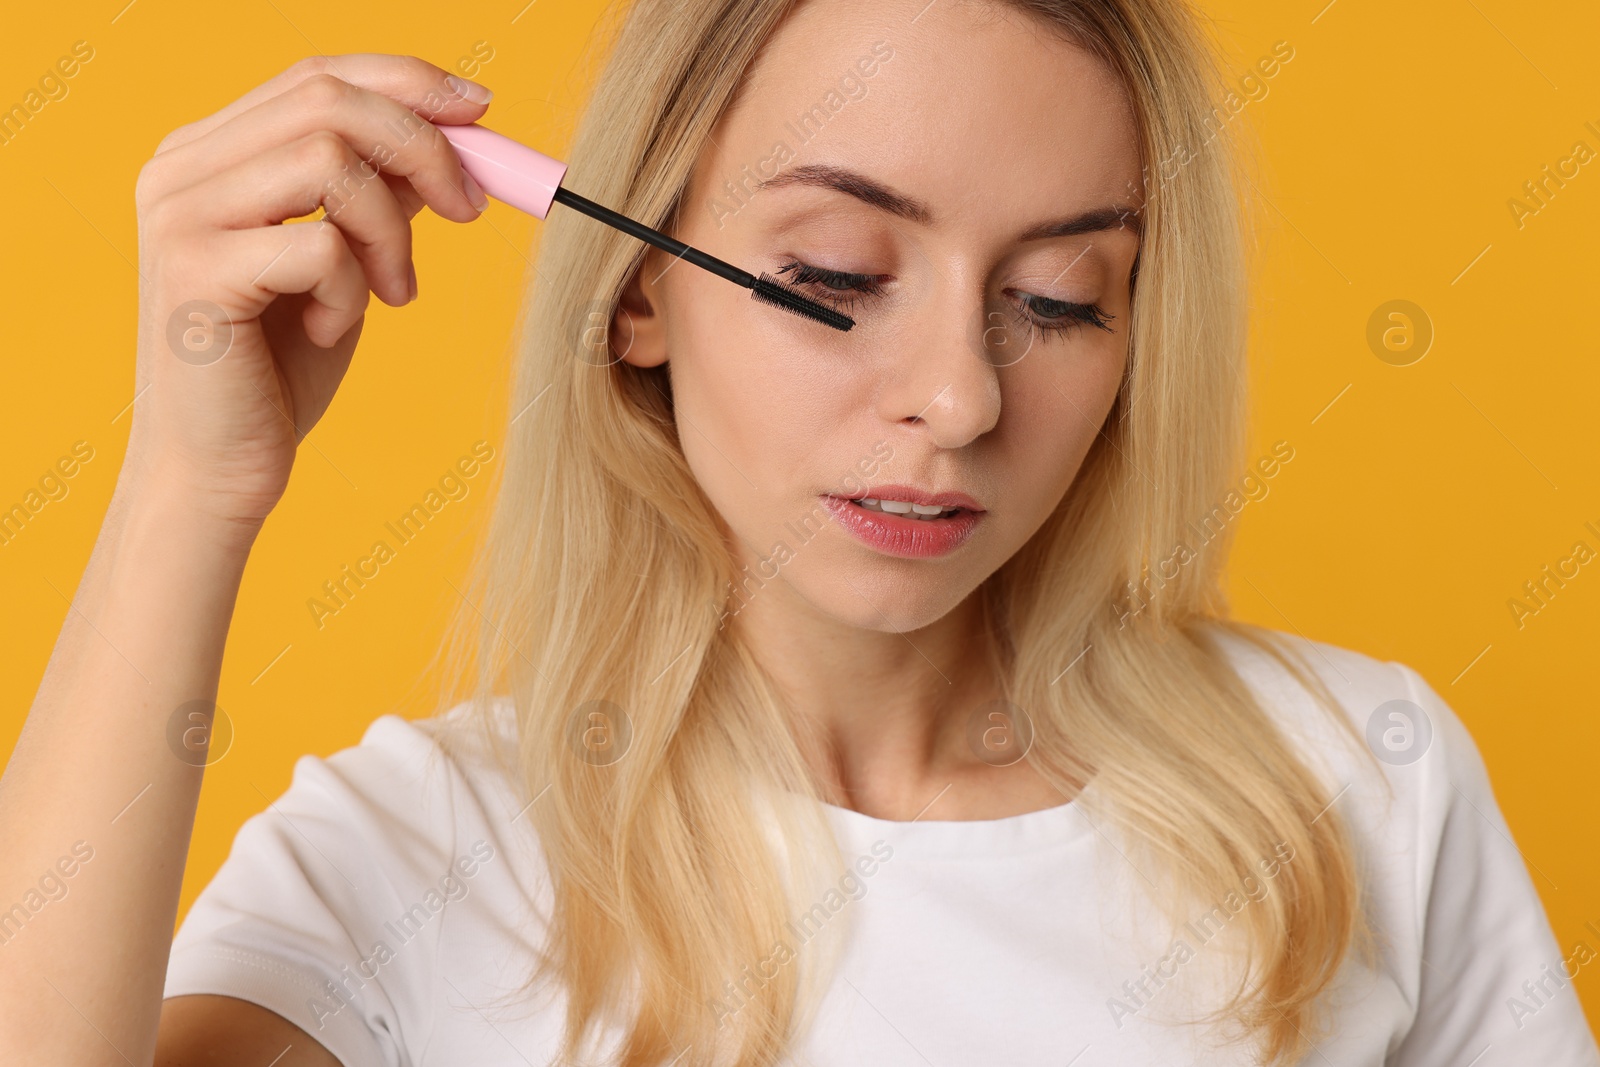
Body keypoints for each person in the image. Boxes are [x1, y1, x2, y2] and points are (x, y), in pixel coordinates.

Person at [3, 0, 1595, 1064]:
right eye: (833, 276)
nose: (959, 397)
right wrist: (184, 496)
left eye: (1059, 298)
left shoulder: (1359, 778)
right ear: (639, 288)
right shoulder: (419, 857)